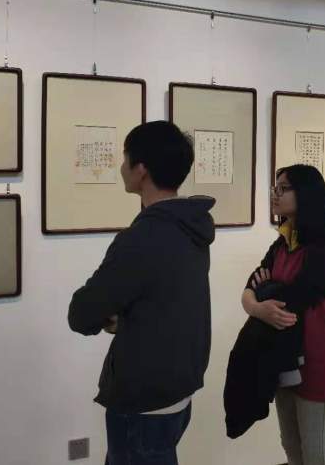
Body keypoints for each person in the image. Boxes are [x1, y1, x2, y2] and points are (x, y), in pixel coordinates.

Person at [68, 121, 215, 465]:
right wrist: (128, 317)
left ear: (141, 169)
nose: (121, 167)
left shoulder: (142, 237)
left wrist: (111, 316)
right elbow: (165, 302)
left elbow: (82, 313)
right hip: (178, 387)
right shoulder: (192, 227)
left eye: (125, 159)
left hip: (145, 398)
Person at [240, 164, 325, 465]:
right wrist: (256, 306)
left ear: (306, 194)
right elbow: (250, 287)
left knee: (316, 452)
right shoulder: (282, 243)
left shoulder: (324, 246)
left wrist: (265, 294)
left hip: (318, 357)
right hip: (283, 356)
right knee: (291, 446)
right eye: (275, 188)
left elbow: (297, 297)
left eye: (283, 188)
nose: (275, 194)